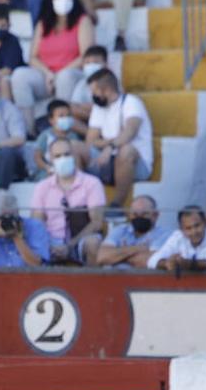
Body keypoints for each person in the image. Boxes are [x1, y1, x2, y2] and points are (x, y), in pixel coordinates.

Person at [10, 0, 94, 129]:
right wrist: (48, 74)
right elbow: (33, 57)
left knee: (65, 77)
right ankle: (28, 129)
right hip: (47, 76)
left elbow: (86, 56)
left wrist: (58, 74)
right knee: (19, 75)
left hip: (73, 75)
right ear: (51, 0)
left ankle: (62, 127)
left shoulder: (83, 21)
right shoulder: (43, 24)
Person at [30, 136, 105, 263]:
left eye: (67, 154)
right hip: (50, 241)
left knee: (93, 243)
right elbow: (37, 222)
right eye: (57, 156)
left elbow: (96, 223)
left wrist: (69, 245)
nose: (63, 159)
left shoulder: (92, 183)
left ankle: (92, 282)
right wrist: (50, 244)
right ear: (51, 160)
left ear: (74, 156)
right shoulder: (42, 187)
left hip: (80, 240)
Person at [85, 68, 152, 206]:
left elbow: (130, 131)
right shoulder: (98, 108)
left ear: (106, 90)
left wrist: (111, 146)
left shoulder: (131, 102)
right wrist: (112, 141)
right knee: (75, 148)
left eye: (94, 91)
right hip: (106, 161)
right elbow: (90, 141)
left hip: (136, 165)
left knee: (126, 150)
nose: (92, 95)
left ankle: (117, 204)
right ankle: (79, 200)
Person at [146, 206, 206, 272]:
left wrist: (189, 264)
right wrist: (167, 263)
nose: (194, 232)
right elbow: (152, 260)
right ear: (181, 229)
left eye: (197, 226)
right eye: (188, 228)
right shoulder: (178, 236)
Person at [93, 194, 166, 267]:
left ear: (155, 215)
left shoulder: (164, 234)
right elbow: (102, 257)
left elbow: (146, 261)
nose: (139, 217)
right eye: (135, 214)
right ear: (129, 215)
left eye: (144, 214)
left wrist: (118, 255)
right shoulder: (119, 230)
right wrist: (136, 248)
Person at [29, 98, 87, 179]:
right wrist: (47, 167)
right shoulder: (45, 136)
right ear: (51, 120)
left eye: (68, 115)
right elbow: (37, 157)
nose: (66, 118)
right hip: (48, 171)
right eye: (61, 116)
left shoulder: (73, 136)